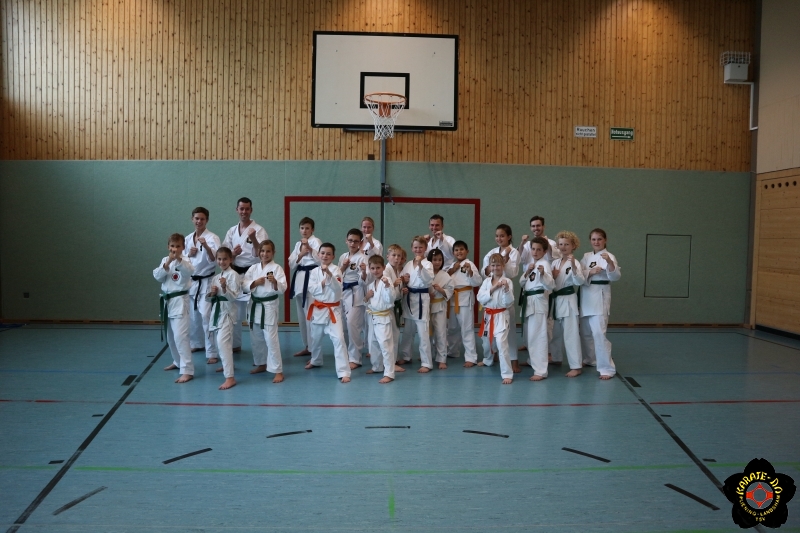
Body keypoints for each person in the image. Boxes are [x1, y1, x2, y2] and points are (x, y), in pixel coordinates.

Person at [222, 197, 268, 352]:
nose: (244, 212)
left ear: (251, 210)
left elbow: (263, 253)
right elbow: (224, 255)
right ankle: (235, 345)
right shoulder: (231, 231)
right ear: (237, 210)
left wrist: (253, 238)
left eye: (247, 209)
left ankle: (259, 351)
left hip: (252, 274)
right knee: (234, 313)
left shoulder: (259, 230)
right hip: (235, 274)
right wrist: (233, 254)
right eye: (241, 209)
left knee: (253, 314)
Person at [305, 243, 351, 383]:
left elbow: (337, 289)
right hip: (318, 309)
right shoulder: (314, 272)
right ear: (318, 255)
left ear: (333, 256)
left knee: (339, 339)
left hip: (333, 311)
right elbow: (311, 289)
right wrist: (322, 283)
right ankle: (316, 360)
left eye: (328, 254)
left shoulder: (336, 270)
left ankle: (343, 371)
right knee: (315, 338)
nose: (325, 256)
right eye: (323, 253)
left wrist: (329, 275)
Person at [579, 228, 621, 380]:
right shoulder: (586, 256)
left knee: (598, 332)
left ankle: (607, 368)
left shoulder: (609, 256)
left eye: (599, 239)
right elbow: (579, 274)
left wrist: (609, 262)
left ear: (605, 240)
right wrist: (590, 272)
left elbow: (615, 276)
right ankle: (590, 359)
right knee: (585, 332)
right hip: (586, 295)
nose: (596, 242)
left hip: (600, 295)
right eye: (593, 239)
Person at [153, 233, 195, 384]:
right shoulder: (165, 260)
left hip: (180, 301)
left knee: (180, 337)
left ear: (183, 247)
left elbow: (189, 271)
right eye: (172, 246)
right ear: (168, 247)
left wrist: (177, 260)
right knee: (170, 337)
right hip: (167, 302)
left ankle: (187, 370)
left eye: (178, 246)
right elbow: (157, 276)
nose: (175, 249)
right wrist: (168, 262)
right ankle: (177, 361)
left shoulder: (186, 260)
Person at [244, 240, 287, 383]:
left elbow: (283, 288)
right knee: (256, 337)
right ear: (258, 252)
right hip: (254, 304)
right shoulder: (253, 268)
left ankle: (278, 370)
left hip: (268, 306)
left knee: (270, 338)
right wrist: (254, 283)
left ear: (273, 253)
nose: (265, 254)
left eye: (268, 251)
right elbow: (244, 285)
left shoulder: (277, 268)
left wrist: (275, 282)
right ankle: (261, 363)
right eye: (262, 251)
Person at [517, 215, 560, 354]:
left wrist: (547, 244)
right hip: (529, 283)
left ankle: (547, 352)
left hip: (543, 285)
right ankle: (529, 345)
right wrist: (522, 243)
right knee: (529, 321)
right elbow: (519, 259)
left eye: (538, 225)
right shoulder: (528, 244)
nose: (536, 228)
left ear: (543, 227)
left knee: (545, 323)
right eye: (533, 226)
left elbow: (555, 258)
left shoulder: (551, 243)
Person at [481, 224, 521, 372]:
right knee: (490, 333)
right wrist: (501, 260)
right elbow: (485, 271)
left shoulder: (514, 252)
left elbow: (512, 273)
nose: (499, 238)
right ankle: (492, 356)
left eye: (502, 236)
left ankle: (514, 361)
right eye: (497, 236)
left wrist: (506, 260)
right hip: (492, 290)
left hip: (505, 290)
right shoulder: (492, 252)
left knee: (509, 332)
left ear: (509, 237)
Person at [183, 207, 221, 364]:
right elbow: (182, 260)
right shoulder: (187, 239)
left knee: (206, 315)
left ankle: (212, 352)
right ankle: (197, 343)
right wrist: (189, 254)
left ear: (207, 220)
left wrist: (205, 246)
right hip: (192, 282)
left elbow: (216, 259)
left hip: (206, 281)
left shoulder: (212, 238)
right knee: (193, 316)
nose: (199, 221)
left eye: (202, 219)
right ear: (192, 219)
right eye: (196, 218)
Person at [549, 231, 585, 377]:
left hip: (568, 299)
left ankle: (576, 366)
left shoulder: (575, 262)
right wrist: (552, 277)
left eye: (566, 244)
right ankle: (556, 357)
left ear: (573, 246)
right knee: (555, 332)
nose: (563, 247)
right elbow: (550, 283)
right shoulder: (555, 263)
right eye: (561, 244)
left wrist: (574, 267)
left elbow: (580, 281)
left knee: (571, 334)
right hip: (556, 300)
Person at [519, 237, 555, 381]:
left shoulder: (545, 264)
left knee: (538, 336)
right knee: (530, 335)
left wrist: (543, 274)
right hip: (529, 301)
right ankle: (532, 361)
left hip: (538, 301)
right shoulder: (532, 264)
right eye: (533, 249)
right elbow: (522, 283)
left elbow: (551, 285)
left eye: (539, 249)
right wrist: (527, 272)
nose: (535, 252)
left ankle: (540, 371)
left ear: (545, 251)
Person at [398, 236, 435, 373]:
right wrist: (404, 281)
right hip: (409, 298)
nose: (418, 249)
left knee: (422, 331)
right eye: (415, 247)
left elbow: (428, 280)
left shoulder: (428, 264)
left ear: (425, 248)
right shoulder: (408, 264)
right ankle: (406, 356)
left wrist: (420, 266)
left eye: (420, 247)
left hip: (421, 299)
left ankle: (427, 362)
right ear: (412, 248)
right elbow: (403, 279)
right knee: (408, 330)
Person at [477, 253, 515, 384]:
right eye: (493, 265)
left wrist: (506, 289)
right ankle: (488, 360)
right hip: (488, 315)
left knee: (501, 343)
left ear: (503, 266)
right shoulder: (486, 282)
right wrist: (494, 288)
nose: (495, 268)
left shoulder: (508, 281)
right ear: (489, 266)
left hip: (501, 315)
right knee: (486, 342)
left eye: (498, 265)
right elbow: (480, 298)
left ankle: (507, 374)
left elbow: (508, 303)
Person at [206, 247, 241, 390]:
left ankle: (230, 377)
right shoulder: (216, 277)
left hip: (227, 313)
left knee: (222, 342)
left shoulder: (234, 275)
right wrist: (212, 293)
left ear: (230, 259)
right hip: (217, 312)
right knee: (222, 343)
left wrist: (225, 287)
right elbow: (209, 299)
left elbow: (234, 297)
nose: (222, 262)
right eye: (219, 259)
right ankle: (228, 366)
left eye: (225, 259)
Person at [287, 217, 322, 357]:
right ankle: (307, 346)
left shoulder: (316, 241)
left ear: (312, 229)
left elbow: (321, 260)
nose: (304, 231)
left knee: (311, 315)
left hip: (312, 279)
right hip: (300, 280)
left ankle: (314, 349)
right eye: (302, 228)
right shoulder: (298, 244)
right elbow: (291, 264)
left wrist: (310, 249)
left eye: (307, 228)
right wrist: (301, 253)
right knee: (301, 316)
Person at [445, 240, 483, 367]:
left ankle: (471, 357)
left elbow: (477, 281)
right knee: (452, 328)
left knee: (466, 328)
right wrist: (452, 270)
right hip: (452, 299)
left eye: (461, 249)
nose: (459, 252)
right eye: (456, 250)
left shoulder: (469, 264)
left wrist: (470, 272)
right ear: (453, 253)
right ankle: (452, 351)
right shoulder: (452, 265)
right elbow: (444, 279)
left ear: (467, 251)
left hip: (465, 299)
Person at [364, 255, 401, 383]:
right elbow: (367, 303)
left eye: (378, 268)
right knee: (374, 344)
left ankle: (389, 373)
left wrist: (387, 286)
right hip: (373, 317)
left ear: (383, 267)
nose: (375, 271)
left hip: (384, 318)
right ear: (369, 269)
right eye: (373, 268)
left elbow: (390, 299)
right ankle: (377, 366)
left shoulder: (387, 281)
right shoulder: (370, 285)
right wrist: (366, 297)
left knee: (386, 345)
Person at [338, 228, 368, 369]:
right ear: (346, 241)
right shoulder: (343, 257)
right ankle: (346, 354)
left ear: (360, 243)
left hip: (357, 293)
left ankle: (356, 358)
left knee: (352, 324)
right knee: (344, 325)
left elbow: (366, 279)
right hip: (343, 292)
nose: (352, 243)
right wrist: (343, 267)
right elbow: (337, 276)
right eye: (350, 240)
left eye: (356, 241)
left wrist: (364, 271)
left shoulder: (363, 258)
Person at [427, 249, 454, 369]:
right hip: (426, 307)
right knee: (426, 333)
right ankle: (427, 355)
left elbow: (450, 291)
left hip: (439, 307)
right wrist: (427, 294)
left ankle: (442, 358)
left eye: (439, 260)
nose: (437, 262)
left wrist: (441, 290)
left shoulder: (445, 275)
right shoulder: (425, 274)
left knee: (440, 333)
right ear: (429, 260)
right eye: (434, 260)